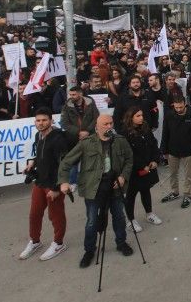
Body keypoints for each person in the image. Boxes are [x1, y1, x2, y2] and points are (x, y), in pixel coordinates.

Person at [57, 114, 134, 268]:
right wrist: (64, 182)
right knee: (92, 221)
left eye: (111, 123)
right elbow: (66, 162)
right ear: (97, 127)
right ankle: (90, 250)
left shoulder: (119, 141)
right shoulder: (86, 143)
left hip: (115, 187)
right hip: (94, 188)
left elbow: (129, 159)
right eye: (105, 124)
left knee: (119, 216)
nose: (109, 126)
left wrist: (123, 177)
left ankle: (121, 242)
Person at [19, 108, 72, 261]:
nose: (41, 123)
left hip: (53, 184)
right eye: (38, 120)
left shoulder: (59, 139)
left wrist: (57, 188)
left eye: (44, 120)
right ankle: (35, 241)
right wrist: (32, 164)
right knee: (34, 214)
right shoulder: (38, 136)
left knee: (55, 215)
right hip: (39, 182)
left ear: (51, 121)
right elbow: (40, 155)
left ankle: (58, 243)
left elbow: (63, 164)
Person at [121, 107, 163, 232]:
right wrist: (140, 165)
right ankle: (131, 220)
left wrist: (155, 160)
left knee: (146, 190)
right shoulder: (125, 133)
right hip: (134, 171)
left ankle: (149, 214)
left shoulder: (145, 128)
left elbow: (153, 144)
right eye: (138, 116)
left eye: (142, 115)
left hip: (148, 167)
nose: (141, 118)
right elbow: (129, 153)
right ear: (131, 117)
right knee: (131, 195)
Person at [160, 97, 191, 208]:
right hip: (172, 150)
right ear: (173, 105)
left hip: (188, 150)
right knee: (173, 173)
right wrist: (164, 150)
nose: (178, 109)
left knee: (188, 175)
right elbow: (165, 133)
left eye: (180, 107)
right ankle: (175, 192)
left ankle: (187, 194)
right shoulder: (169, 115)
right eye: (176, 107)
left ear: (185, 104)